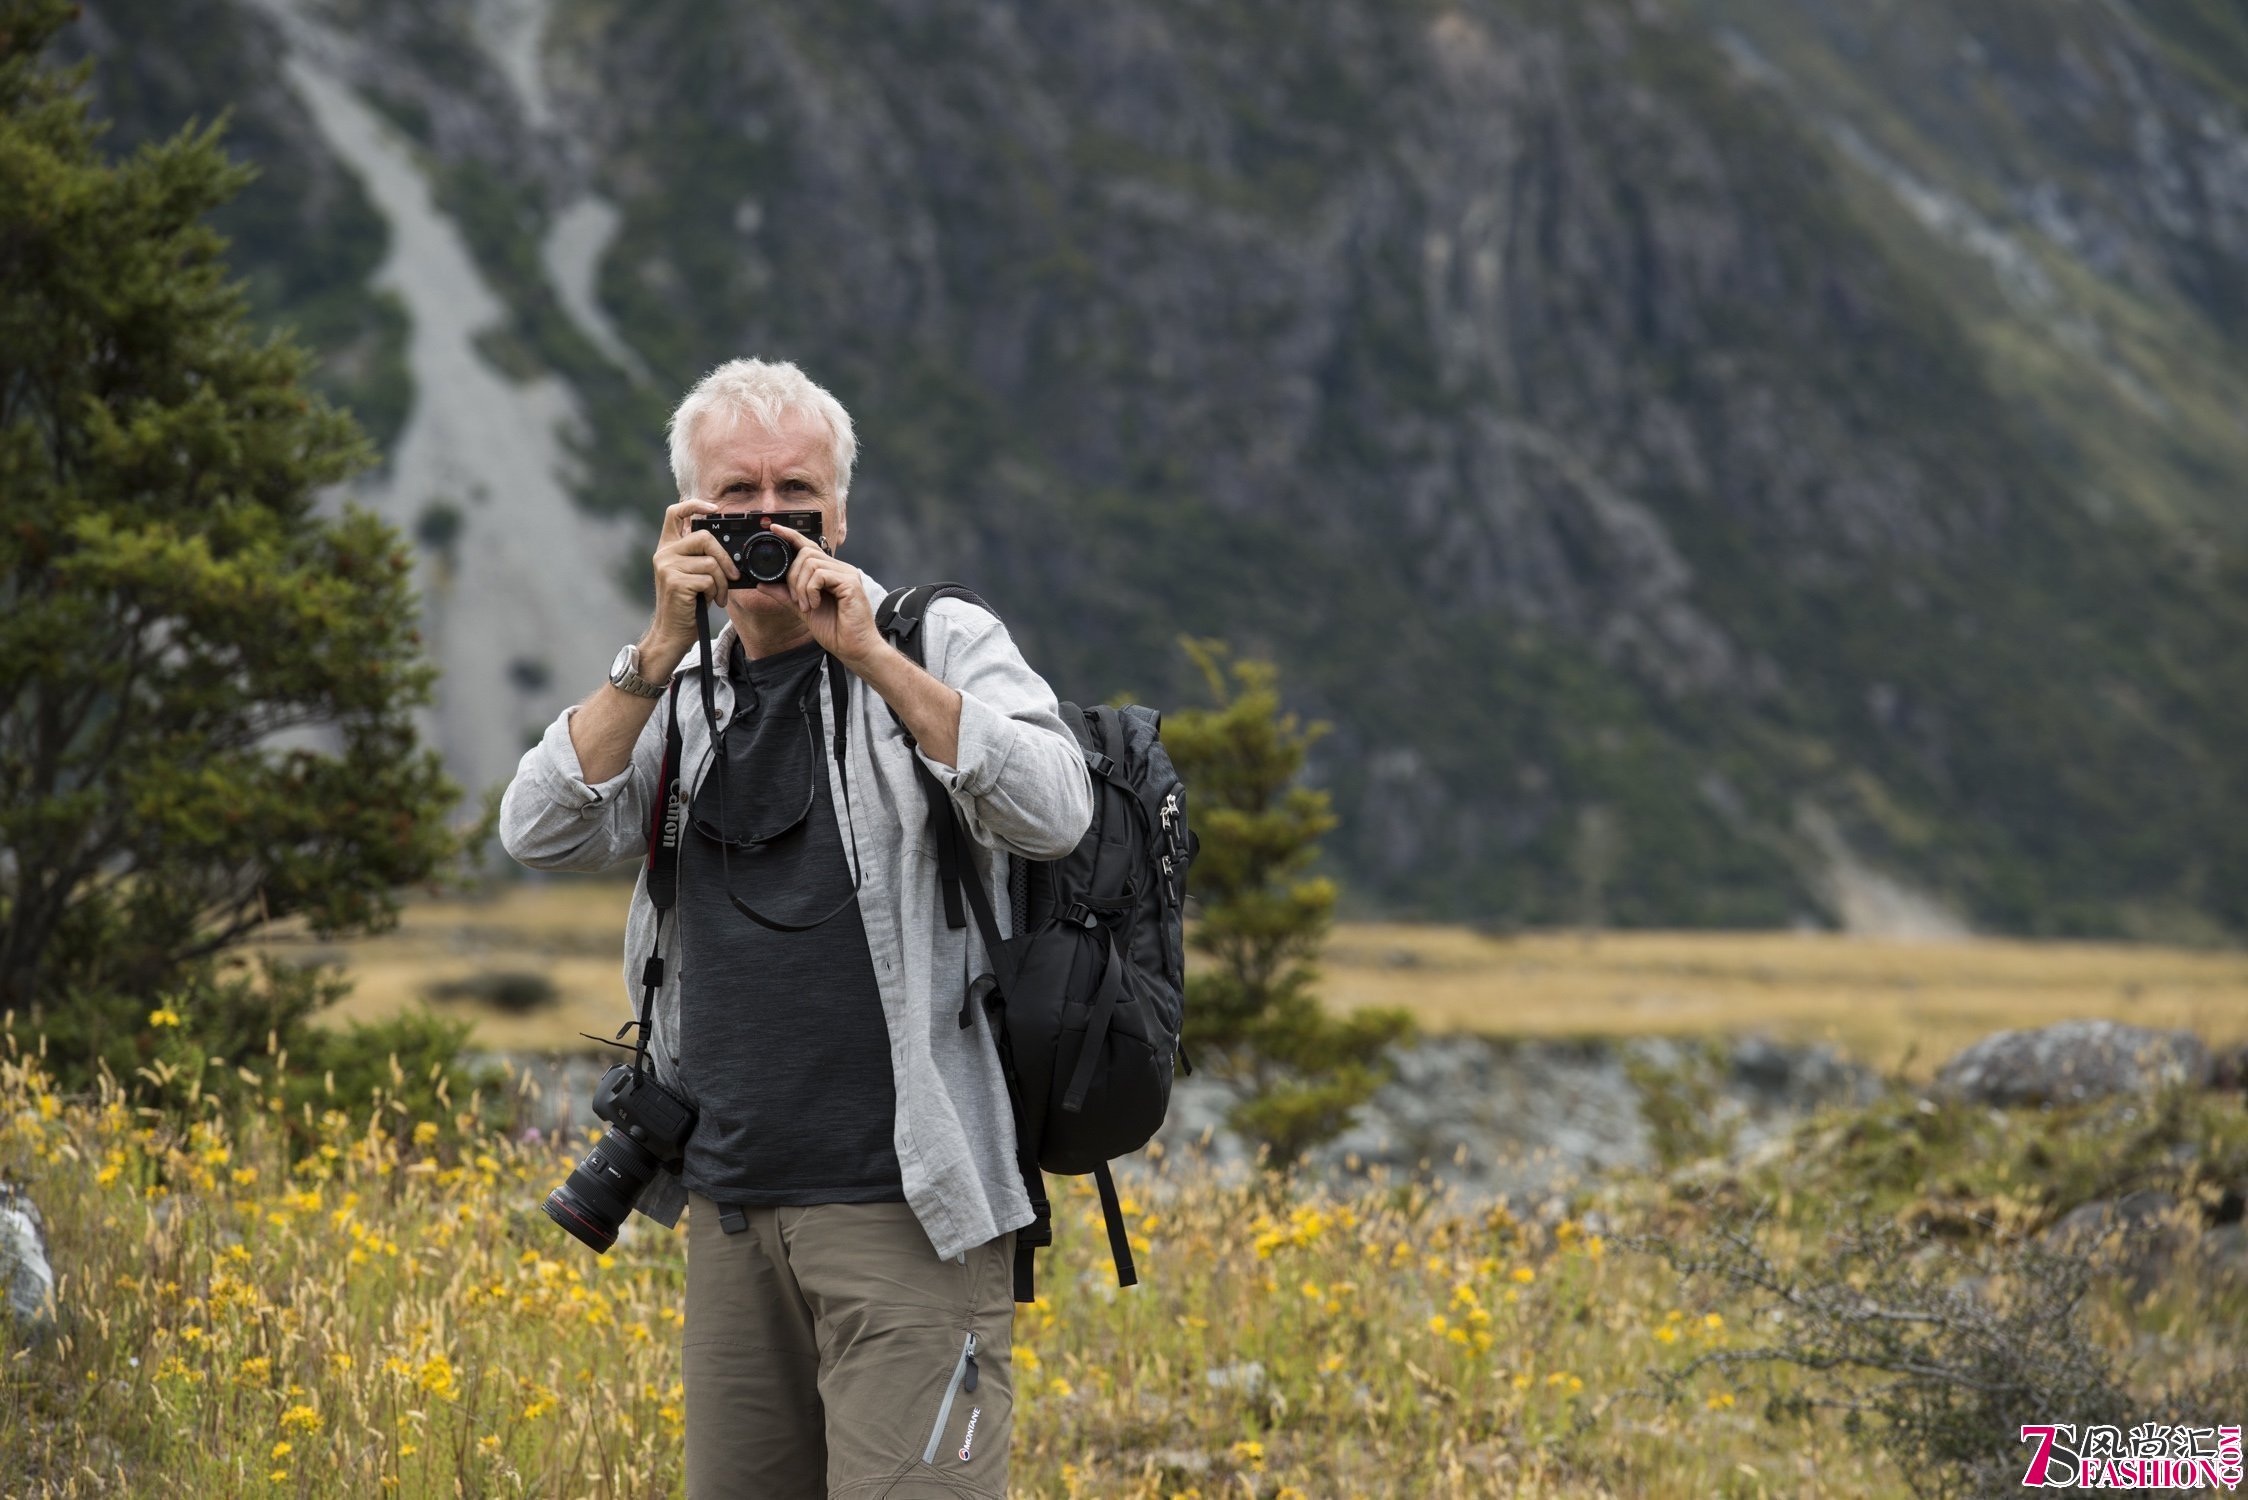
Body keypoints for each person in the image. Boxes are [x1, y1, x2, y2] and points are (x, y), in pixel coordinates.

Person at [497, 357, 1093, 1498]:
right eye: (738, 500)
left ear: (841, 510)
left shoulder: (935, 637)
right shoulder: (679, 692)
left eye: (796, 499)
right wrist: (651, 652)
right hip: (729, 1208)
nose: (768, 525)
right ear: (690, 517)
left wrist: (868, 652)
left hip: (908, 1209)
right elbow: (538, 829)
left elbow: (1054, 809)